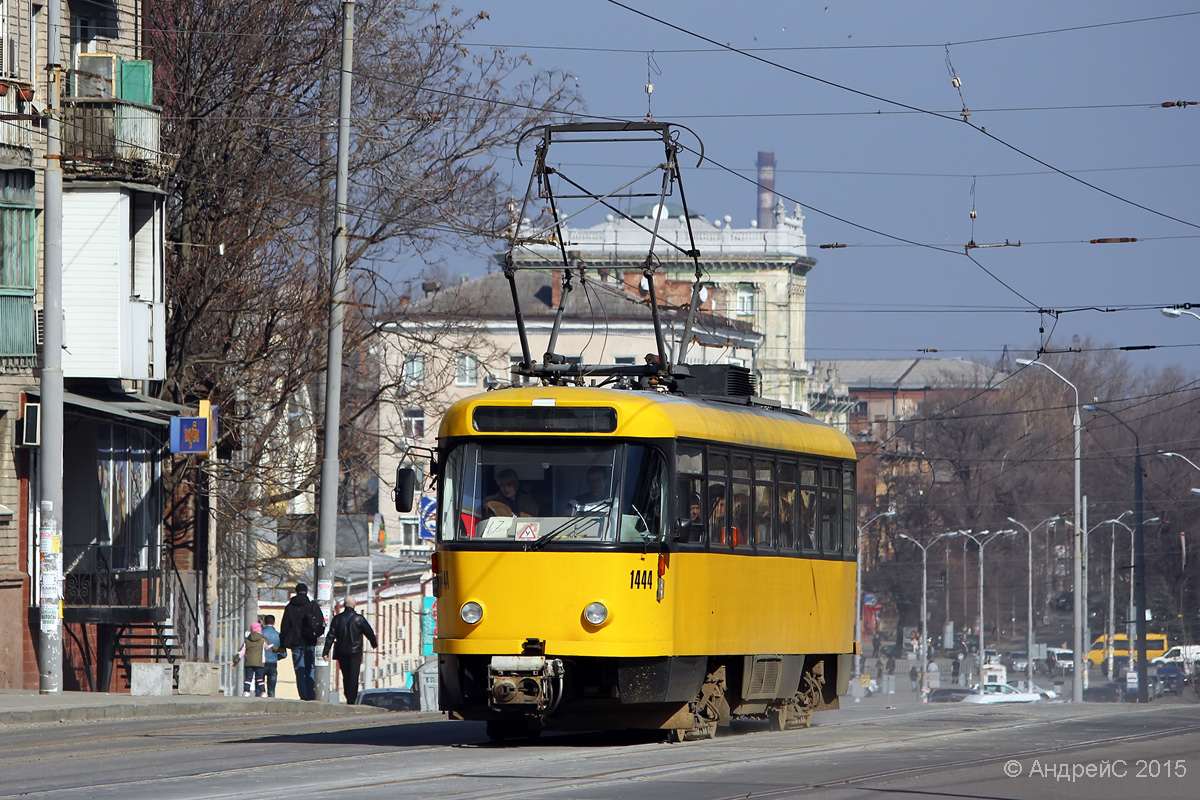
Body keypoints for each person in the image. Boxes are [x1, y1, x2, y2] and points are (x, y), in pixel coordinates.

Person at [322, 597, 378, 705]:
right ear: (354, 605)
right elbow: (369, 632)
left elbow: (331, 636)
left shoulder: (337, 619)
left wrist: (325, 651)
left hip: (341, 652)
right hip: (355, 652)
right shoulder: (359, 619)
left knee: (345, 675)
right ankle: (351, 699)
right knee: (353, 676)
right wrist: (374, 644)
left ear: (344, 605)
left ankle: (348, 695)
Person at [280, 582, 325, 701]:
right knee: (310, 668)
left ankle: (303, 695)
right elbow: (320, 623)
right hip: (309, 640)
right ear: (306, 592)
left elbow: (285, 626)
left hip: (296, 642)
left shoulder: (290, 607)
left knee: (300, 670)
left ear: (296, 592)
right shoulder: (311, 606)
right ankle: (311, 695)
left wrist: (283, 644)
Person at [232, 622, 268, 697]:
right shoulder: (262, 639)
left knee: (248, 678)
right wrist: (279, 650)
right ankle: (263, 692)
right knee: (260, 678)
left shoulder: (247, 640)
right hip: (260, 662)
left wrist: (235, 661)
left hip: (248, 662)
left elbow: (241, 652)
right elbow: (270, 647)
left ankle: (246, 691)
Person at [261, 614, 284, 698]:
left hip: (261, 664)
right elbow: (284, 654)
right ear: (274, 622)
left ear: (264, 622)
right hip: (273, 664)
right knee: (271, 691)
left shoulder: (260, 635)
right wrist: (276, 657)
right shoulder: (279, 635)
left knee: (260, 690)